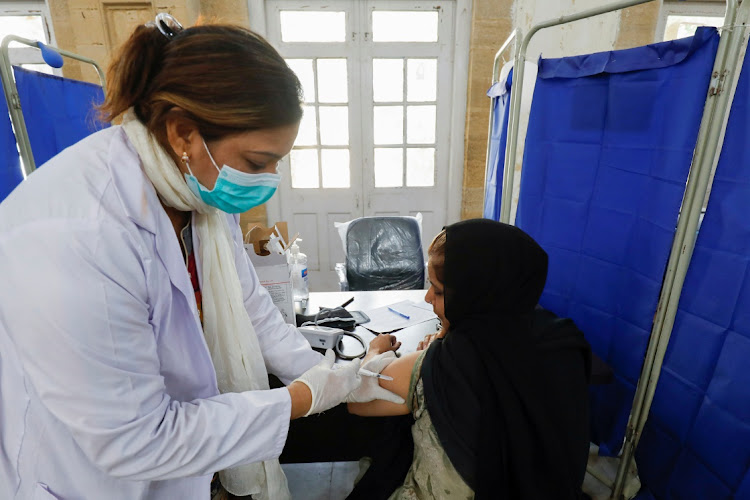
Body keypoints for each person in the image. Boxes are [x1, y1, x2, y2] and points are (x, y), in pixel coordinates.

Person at [0, 14, 400, 500]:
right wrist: (303, 397)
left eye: (277, 161)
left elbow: (253, 311)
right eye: (257, 162)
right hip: (91, 476)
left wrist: (332, 375)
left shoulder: (197, 195)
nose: (268, 179)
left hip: (181, 458)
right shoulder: (82, 236)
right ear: (183, 133)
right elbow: (137, 440)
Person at [348, 219, 592, 499]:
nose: (428, 297)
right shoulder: (563, 342)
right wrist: (447, 329)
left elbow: (360, 398)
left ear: (473, 294)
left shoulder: (448, 362)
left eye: (438, 291)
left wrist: (377, 350)